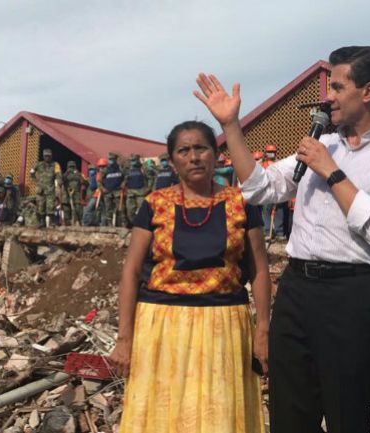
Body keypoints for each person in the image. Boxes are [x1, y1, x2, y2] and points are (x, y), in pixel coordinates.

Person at [194, 45, 370, 433]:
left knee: (346, 412)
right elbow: (259, 188)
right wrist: (231, 127)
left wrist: (330, 170)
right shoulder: (323, 144)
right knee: (289, 410)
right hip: (298, 290)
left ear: (368, 92)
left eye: (337, 87)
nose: (327, 96)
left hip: (351, 294)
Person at [108, 120, 270, 433]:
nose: (193, 156)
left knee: (218, 416)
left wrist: (262, 331)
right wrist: (124, 339)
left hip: (225, 327)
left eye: (201, 148)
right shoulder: (154, 205)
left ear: (216, 154)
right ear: (173, 161)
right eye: (184, 150)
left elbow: (260, 270)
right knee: (162, 413)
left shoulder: (241, 204)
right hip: (161, 328)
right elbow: (130, 271)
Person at [31, 148, 62, 227]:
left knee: (50, 206)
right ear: (43, 156)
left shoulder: (55, 164)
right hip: (40, 190)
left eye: (48, 156)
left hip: (50, 189)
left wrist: (59, 182)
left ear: (51, 156)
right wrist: (36, 181)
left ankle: (51, 222)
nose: (47, 158)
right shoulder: (39, 164)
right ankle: (42, 222)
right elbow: (32, 172)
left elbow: (58, 174)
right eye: (45, 156)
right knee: (41, 206)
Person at [124, 154, 151, 225]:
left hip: (141, 193)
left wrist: (148, 189)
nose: (132, 162)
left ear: (137, 160)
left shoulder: (143, 168)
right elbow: (125, 181)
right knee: (130, 211)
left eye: (134, 160)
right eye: (131, 161)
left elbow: (150, 179)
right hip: (130, 193)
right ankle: (135, 224)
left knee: (142, 211)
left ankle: (143, 225)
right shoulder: (128, 170)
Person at [100, 152, 125, 226]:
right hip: (108, 192)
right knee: (108, 208)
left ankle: (123, 222)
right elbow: (99, 181)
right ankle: (109, 223)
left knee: (121, 208)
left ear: (116, 160)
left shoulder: (120, 168)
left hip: (117, 191)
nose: (111, 161)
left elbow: (126, 177)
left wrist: (124, 183)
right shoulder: (105, 170)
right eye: (110, 159)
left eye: (112, 159)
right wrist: (102, 188)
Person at [62, 161, 84, 226]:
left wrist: (79, 175)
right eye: (70, 167)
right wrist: (66, 173)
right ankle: (67, 224)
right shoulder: (65, 174)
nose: (71, 169)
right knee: (66, 209)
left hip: (76, 194)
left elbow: (85, 182)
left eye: (73, 167)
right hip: (66, 194)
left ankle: (81, 222)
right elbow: (61, 180)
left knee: (78, 208)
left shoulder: (78, 174)